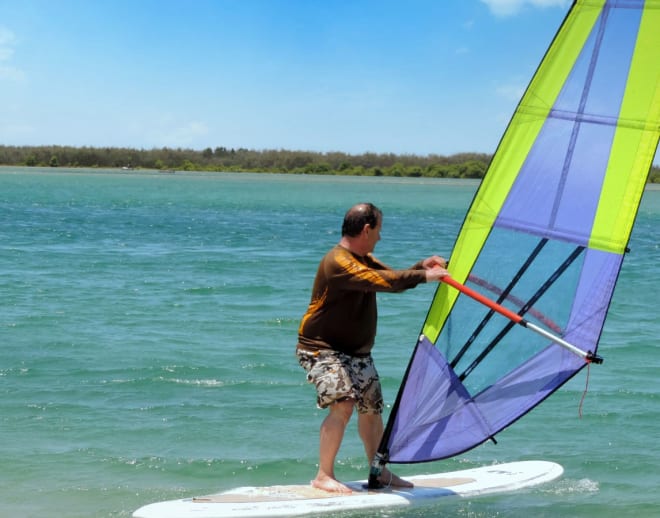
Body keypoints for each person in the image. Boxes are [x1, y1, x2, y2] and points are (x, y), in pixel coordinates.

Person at [296, 202, 448, 493]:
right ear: (366, 229)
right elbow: (381, 281)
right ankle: (323, 475)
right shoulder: (339, 261)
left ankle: (380, 474)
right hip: (321, 348)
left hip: (356, 352)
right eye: (378, 230)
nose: (380, 237)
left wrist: (420, 267)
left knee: (371, 408)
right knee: (343, 403)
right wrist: (424, 277)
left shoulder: (362, 257)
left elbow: (391, 279)